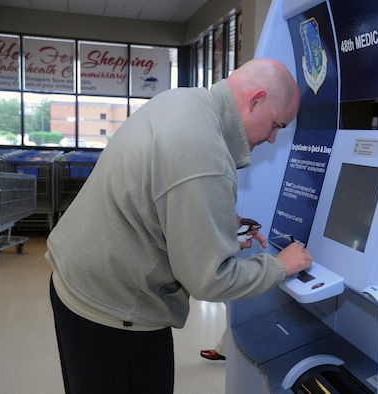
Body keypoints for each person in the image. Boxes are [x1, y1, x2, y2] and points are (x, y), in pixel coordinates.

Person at [47, 58, 313, 394]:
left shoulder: (184, 101)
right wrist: (279, 266)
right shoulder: (207, 155)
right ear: (255, 99)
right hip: (115, 315)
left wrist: (210, 219)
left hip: (76, 283)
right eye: (277, 125)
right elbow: (211, 281)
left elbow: (161, 190)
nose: (274, 139)